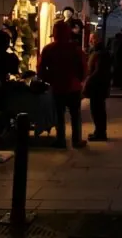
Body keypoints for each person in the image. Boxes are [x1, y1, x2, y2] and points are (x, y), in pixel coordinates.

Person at [38, 21, 88, 149]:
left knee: (59, 115)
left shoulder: (49, 49)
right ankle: (76, 140)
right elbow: (83, 68)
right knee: (75, 114)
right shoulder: (76, 49)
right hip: (73, 86)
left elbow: (41, 68)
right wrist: (80, 80)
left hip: (57, 86)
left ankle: (61, 140)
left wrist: (49, 80)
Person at [84, 33, 112, 141]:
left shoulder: (101, 53)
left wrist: (88, 80)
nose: (91, 41)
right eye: (91, 39)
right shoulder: (97, 51)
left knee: (98, 110)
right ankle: (98, 131)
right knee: (96, 109)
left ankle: (100, 133)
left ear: (98, 39)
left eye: (93, 39)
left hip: (98, 86)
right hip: (98, 85)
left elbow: (98, 71)